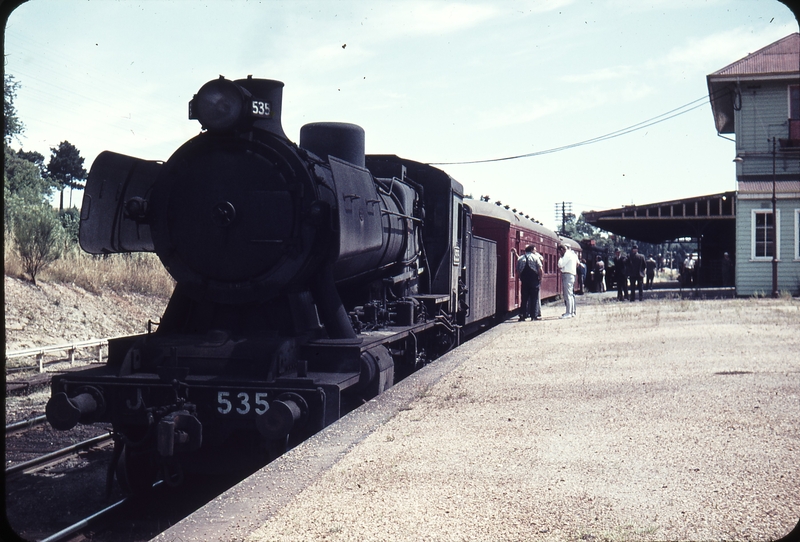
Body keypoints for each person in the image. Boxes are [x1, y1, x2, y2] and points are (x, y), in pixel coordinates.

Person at [516, 245, 543, 321]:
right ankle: (533, 316)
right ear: (531, 250)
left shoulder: (520, 258)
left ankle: (522, 315)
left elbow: (517, 271)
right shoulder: (535, 257)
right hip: (534, 281)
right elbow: (540, 269)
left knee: (524, 299)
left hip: (524, 281)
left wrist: (520, 278)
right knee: (534, 299)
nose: (535, 251)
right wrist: (540, 278)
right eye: (535, 250)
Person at [557, 243, 578, 318]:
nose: (560, 253)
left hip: (567, 275)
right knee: (571, 294)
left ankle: (568, 313)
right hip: (571, 275)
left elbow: (560, 264)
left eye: (560, 252)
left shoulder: (566, 255)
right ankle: (571, 312)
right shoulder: (572, 254)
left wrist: (560, 257)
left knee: (567, 295)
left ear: (562, 250)